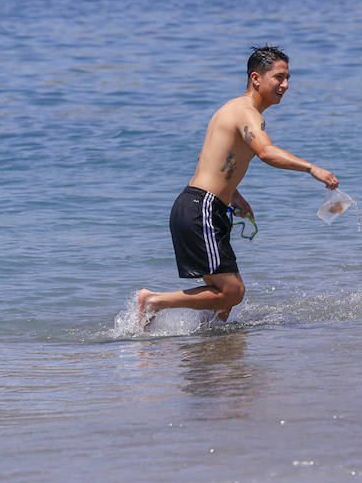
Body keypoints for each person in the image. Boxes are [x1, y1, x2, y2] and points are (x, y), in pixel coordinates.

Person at [137, 45, 339, 325]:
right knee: (233, 291)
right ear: (256, 78)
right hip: (202, 208)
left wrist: (233, 195)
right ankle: (154, 301)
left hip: (201, 206)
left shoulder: (232, 109)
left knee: (222, 296)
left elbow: (205, 158)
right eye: (278, 77)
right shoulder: (246, 112)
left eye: (288, 78)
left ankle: (209, 346)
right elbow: (266, 152)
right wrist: (312, 168)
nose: (285, 85)